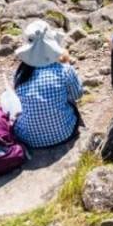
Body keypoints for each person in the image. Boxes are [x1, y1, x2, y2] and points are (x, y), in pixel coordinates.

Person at [11, 20, 83, 148]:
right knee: (69, 98)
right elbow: (77, 95)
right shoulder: (64, 70)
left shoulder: (20, 74)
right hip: (64, 134)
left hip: (29, 139)